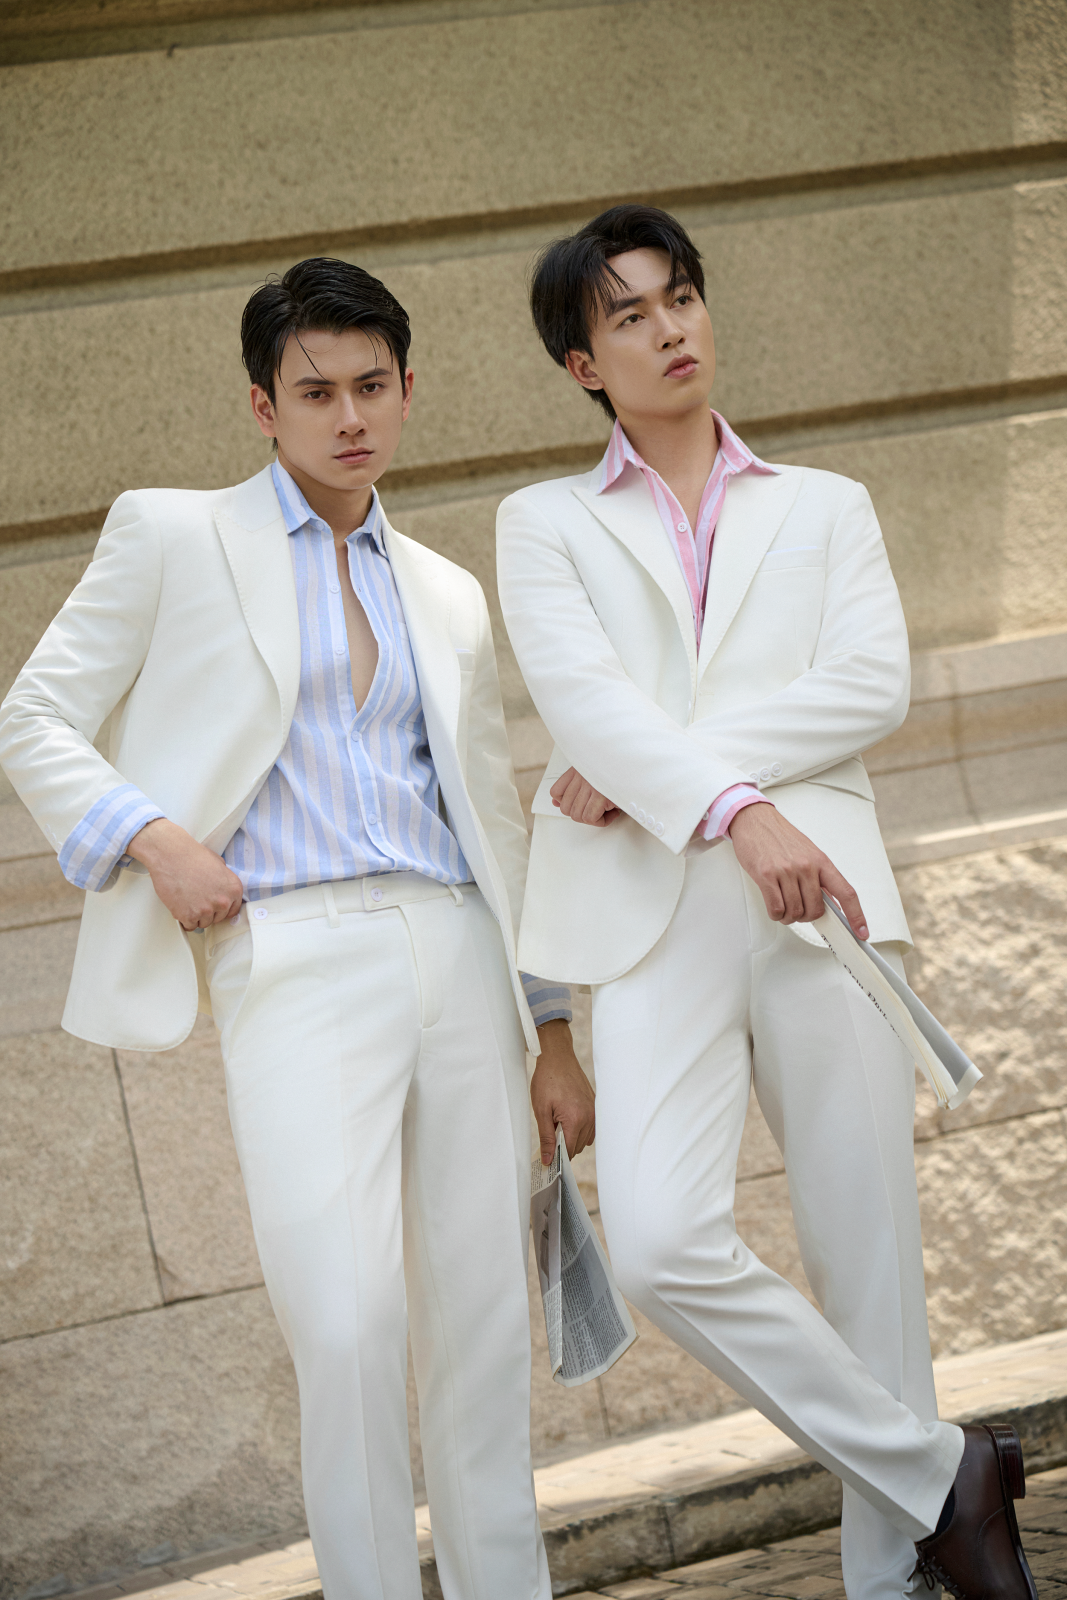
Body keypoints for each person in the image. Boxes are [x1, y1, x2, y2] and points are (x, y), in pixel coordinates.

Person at [0, 257, 595, 1600]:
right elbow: (31, 715)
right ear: (264, 406)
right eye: (316, 392)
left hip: (457, 948)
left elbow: (492, 824)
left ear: (407, 390)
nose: (350, 417)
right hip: (295, 956)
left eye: (372, 387)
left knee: (482, 1330)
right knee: (344, 1322)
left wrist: (550, 1025)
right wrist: (155, 840)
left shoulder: (444, 590)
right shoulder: (174, 536)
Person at [495, 205, 1036, 1600]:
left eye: (680, 296)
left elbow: (870, 686)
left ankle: (892, 1581)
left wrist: (656, 765)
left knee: (870, 1272)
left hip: (822, 901)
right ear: (583, 364)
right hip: (651, 919)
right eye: (628, 314)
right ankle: (945, 1476)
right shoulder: (542, 523)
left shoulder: (824, 505)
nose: (668, 327)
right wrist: (731, 802)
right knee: (663, 1241)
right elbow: (579, 699)